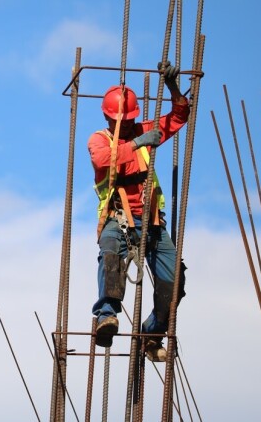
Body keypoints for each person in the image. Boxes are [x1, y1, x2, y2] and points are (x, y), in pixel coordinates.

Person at [87, 61, 188, 362]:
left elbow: (179, 117)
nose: (128, 124)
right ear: (108, 117)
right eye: (123, 120)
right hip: (118, 219)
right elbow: (104, 160)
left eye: (131, 120)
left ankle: (150, 334)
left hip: (152, 223)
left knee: (174, 287)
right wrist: (137, 142)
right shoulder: (99, 140)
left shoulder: (143, 131)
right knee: (110, 252)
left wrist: (172, 88)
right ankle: (107, 315)